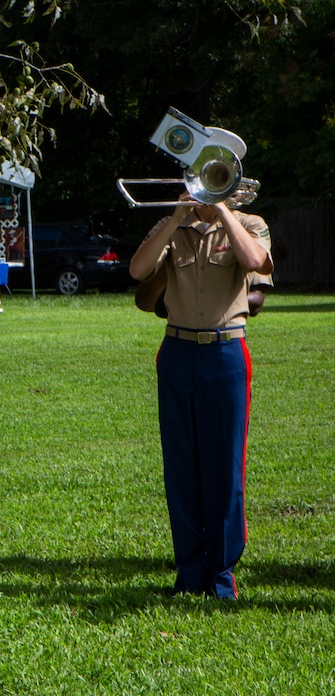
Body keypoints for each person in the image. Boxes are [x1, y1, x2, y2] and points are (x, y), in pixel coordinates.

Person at [129, 141, 273, 599]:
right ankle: (189, 570)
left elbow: (255, 263)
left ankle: (222, 574)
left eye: (213, 172)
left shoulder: (251, 223)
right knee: (181, 467)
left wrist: (223, 208)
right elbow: (137, 270)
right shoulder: (175, 226)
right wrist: (176, 219)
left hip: (226, 353)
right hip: (176, 352)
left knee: (224, 466)